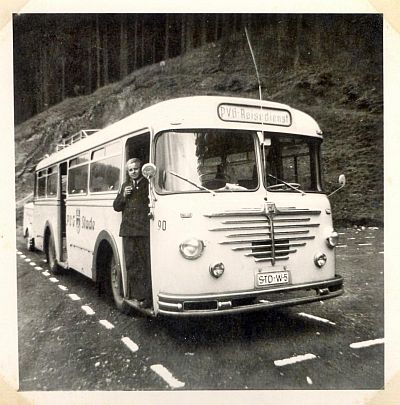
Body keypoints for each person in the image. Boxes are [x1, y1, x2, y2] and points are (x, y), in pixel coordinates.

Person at [113, 158, 152, 308]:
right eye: (130, 170)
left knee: (145, 264)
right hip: (128, 231)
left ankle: (147, 298)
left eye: (136, 169)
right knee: (132, 264)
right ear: (128, 172)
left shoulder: (148, 184)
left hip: (143, 231)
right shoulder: (125, 186)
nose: (133, 172)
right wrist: (123, 196)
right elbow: (116, 207)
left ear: (141, 169)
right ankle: (138, 296)